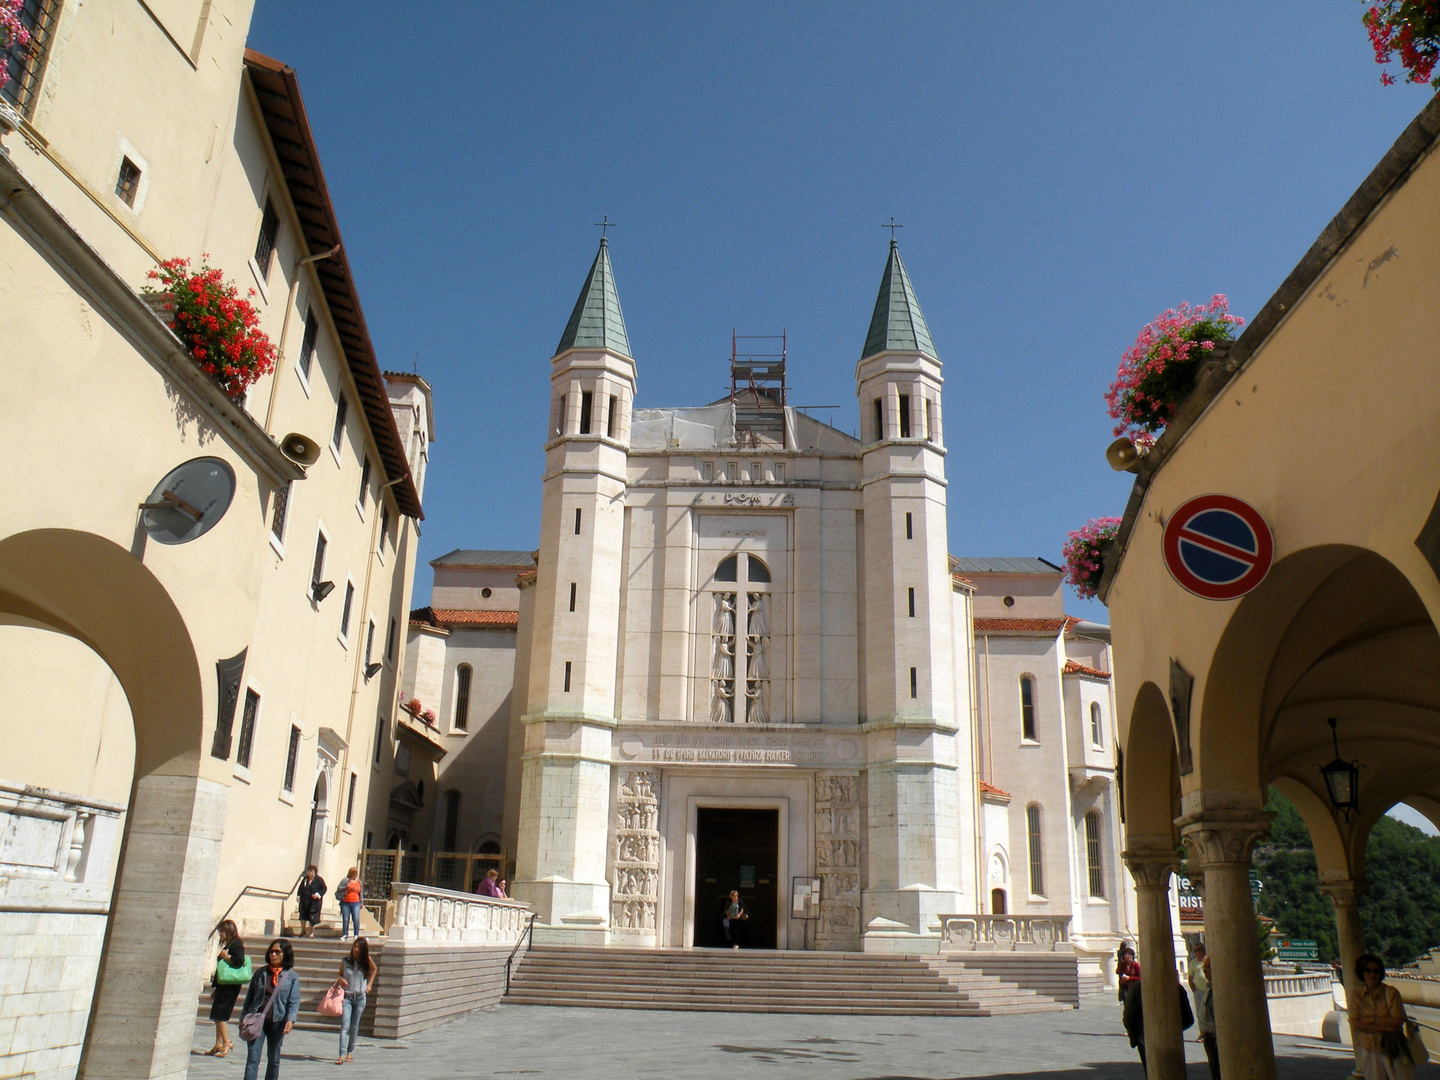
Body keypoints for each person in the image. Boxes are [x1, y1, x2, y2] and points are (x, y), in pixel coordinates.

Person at [240, 939, 299, 1080]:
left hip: (278, 1022)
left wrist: (290, 1020)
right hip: (257, 1020)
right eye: (271, 951)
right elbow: (250, 997)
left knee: (274, 1060)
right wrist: (243, 1017)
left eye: (277, 952)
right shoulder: (260, 973)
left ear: (285, 954)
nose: (273, 954)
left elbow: (294, 1001)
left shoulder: (291, 977)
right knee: (253, 1059)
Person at [1351, 953, 1417, 1080]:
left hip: (1393, 1046)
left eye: (1376, 971)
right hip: (1369, 1047)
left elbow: (1397, 1021)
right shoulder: (1356, 995)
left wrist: (1370, 1021)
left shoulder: (1391, 993)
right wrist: (1386, 1025)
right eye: (1368, 970)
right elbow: (1356, 1024)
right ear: (1362, 973)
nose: (1372, 974)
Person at [1121, 968, 1194, 1076]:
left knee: (1151, 1073)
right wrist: (1173, 1031)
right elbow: (1188, 1019)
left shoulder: (1137, 988)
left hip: (1144, 1039)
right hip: (1172, 1040)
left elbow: (1128, 1018)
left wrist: (1136, 1035)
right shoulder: (1177, 988)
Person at [335, 936, 377, 1065]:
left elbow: (374, 969)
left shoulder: (366, 961)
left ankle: (350, 1052)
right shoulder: (346, 961)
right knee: (345, 1025)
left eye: (359, 947)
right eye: (355, 946)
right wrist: (341, 980)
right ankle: (341, 1054)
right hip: (347, 997)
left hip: (360, 997)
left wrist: (369, 985)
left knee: (354, 1026)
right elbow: (340, 975)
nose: (356, 950)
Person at [206, 920, 245, 1057]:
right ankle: (218, 1043)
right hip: (223, 985)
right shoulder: (229, 944)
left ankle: (227, 1042)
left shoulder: (236, 945)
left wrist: (226, 956)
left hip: (230, 986)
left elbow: (239, 961)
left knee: (220, 1016)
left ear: (228, 931)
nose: (220, 934)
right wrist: (216, 988)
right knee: (217, 1015)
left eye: (222, 931)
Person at [1196, 954, 1220, 1080]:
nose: (1204, 971)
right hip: (1209, 1039)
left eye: (1208, 968)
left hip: (1216, 1040)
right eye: (1204, 968)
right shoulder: (1209, 989)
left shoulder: (1219, 992)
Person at [296, 865, 326, 938]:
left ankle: (311, 932)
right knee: (302, 917)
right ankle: (303, 930)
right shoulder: (305, 880)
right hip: (304, 901)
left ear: (315, 872)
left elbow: (324, 889)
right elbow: (300, 889)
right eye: (309, 871)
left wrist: (317, 894)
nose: (310, 873)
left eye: (312, 872)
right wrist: (298, 896)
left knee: (312, 917)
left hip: (314, 902)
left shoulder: (319, 880)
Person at [336, 867, 363, 939]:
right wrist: (346, 887)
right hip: (346, 902)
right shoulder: (346, 880)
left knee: (356, 918)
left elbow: (360, 893)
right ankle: (345, 934)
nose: (356, 875)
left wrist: (361, 902)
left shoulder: (359, 882)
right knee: (345, 918)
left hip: (356, 902)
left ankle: (356, 934)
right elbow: (339, 888)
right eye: (355, 873)